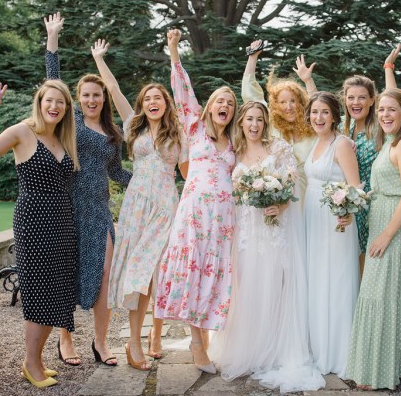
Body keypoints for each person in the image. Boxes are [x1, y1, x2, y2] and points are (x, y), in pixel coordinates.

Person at [210, 101, 325, 393]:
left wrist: (280, 203)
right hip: (246, 230)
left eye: (259, 119)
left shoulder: (279, 149)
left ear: (265, 123)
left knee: (276, 283)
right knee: (248, 286)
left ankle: (274, 348)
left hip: (274, 230)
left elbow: (293, 184)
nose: (254, 124)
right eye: (249, 119)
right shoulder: (234, 152)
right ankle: (250, 346)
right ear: (242, 122)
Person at [0, 80, 79, 388]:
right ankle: (30, 364)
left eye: (61, 102)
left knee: (56, 292)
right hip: (34, 220)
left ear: (66, 108)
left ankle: (38, 360)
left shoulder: (63, 137)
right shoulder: (22, 131)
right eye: (49, 100)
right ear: (40, 101)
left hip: (61, 221)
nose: (54, 106)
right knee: (39, 292)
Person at [44, 13, 132, 366]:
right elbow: (52, 83)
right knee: (68, 272)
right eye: (86, 95)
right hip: (68, 205)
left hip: (98, 210)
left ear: (103, 99)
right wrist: (53, 38)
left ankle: (100, 342)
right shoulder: (72, 121)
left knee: (105, 276)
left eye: (97, 95)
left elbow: (116, 172)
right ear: (78, 98)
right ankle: (65, 339)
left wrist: (153, 180)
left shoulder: (114, 134)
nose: (92, 100)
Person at [102, 36, 189, 370]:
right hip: (137, 206)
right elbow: (112, 88)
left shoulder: (177, 134)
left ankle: (153, 335)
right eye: (148, 98)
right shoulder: (132, 127)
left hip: (166, 206)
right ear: (142, 104)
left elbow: (187, 174)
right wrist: (99, 58)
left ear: (166, 103)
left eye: (158, 97)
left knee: (157, 275)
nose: (154, 101)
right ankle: (134, 343)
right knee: (138, 273)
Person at [154, 29, 237, 374]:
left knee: (215, 277)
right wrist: (174, 51)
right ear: (209, 107)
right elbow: (182, 90)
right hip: (194, 215)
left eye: (231, 104)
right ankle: (197, 341)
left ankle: (207, 337)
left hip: (224, 219)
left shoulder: (235, 142)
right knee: (194, 272)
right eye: (220, 101)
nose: (225, 106)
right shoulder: (195, 127)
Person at [345, 88, 401, 390]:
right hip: (381, 218)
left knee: (381, 296)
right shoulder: (389, 141)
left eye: (392, 110)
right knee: (388, 295)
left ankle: (377, 371)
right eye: (381, 110)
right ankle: (398, 363)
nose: (384, 115)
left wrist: (386, 234)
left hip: (395, 227)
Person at [295, 45, 400, 277]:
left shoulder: (379, 129)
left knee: (368, 263)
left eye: (362, 97)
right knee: (347, 265)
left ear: (373, 100)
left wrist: (388, 68)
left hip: (371, 203)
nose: (356, 102)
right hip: (344, 203)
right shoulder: (344, 124)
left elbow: (394, 103)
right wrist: (307, 81)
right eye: (351, 97)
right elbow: (319, 109)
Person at [303, 91, 361, 377]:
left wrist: (347, 211)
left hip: (335, 221)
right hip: (311, 218)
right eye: (314, 112)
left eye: (324, 112)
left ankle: (338, 353)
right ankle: (317, 348)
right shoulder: (315, 143)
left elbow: (356, 186)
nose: (319, 117)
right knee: (316, 281)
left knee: (335, 282)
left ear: (335, 116)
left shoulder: (341, 145)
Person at [243, 40, 316, 204]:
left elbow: (319, 107)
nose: (289, 107)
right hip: (279, 200)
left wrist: (308, 81)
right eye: (283, 102)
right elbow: (251, 95)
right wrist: (253, 58)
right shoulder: (271, 126)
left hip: (308, 198)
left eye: (293, 101)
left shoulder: (312, 126)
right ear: (276, 105)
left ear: (301, 102)